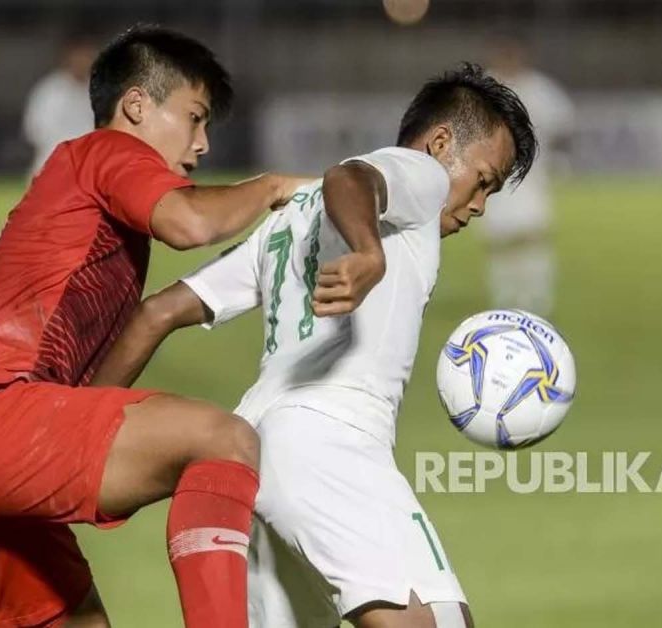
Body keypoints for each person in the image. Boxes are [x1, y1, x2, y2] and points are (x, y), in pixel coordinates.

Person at [0, 25, 346, 628]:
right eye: (194, 119)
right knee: (224, 439)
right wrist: (276, 187)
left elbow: (90, 399)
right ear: (137, 104)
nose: (200, 145)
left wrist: (159, 315)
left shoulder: (78, 214)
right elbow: (189, 222)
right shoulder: (105, 152)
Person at [91, 63, 537, 628]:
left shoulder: (285, 223)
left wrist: (71, 432)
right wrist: (367, 254)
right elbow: (349, 178)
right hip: (331, 441)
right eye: (484, 180)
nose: (479, 205)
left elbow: (156, 313)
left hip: (253, 453)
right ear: (442, 143)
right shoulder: (419, 175)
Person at [483, 39, 573, 317]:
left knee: (533, 238)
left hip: (532, 176)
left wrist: (558, 160)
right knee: (500, 242)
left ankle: (537, 298)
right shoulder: (484, 87)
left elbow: (564, 124)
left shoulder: (540, 89)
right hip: (495, 176)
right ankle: (504, 298)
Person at [22, 32, 99, 176]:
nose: (83, 61)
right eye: (79, 56)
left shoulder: (102, 91)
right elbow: (35, 131)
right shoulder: (50, 91)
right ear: (68, 57)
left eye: (87, 55)